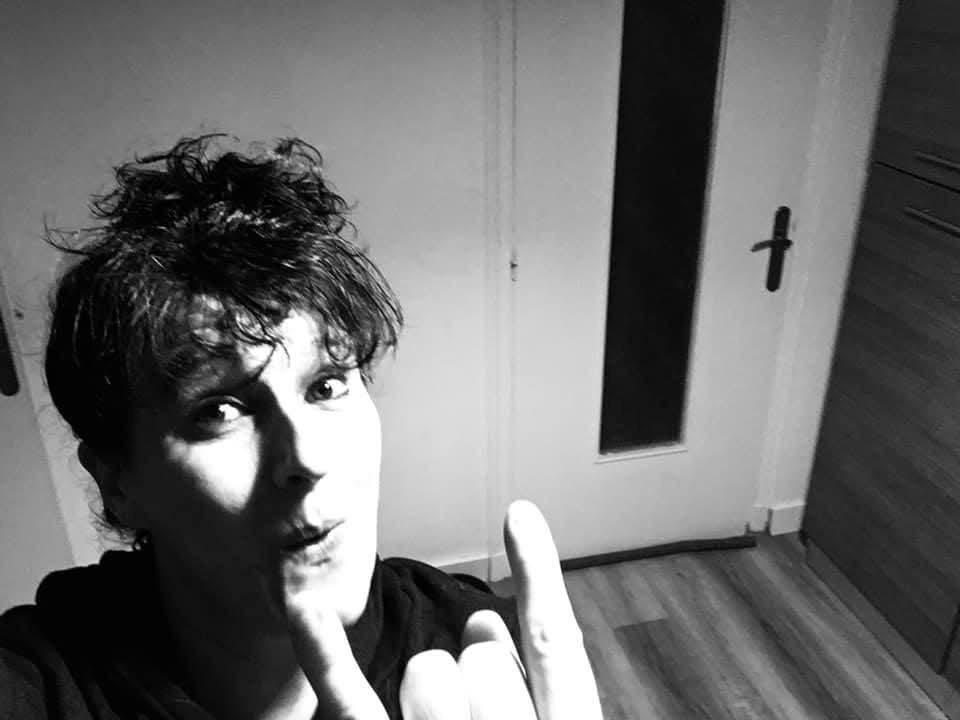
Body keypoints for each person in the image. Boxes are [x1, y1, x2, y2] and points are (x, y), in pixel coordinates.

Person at [0, 135, 602, 719]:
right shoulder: (35, 683)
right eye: (219, 411)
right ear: (117, 481)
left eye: (327, 385)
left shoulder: (486, 655)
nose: (306, 457)